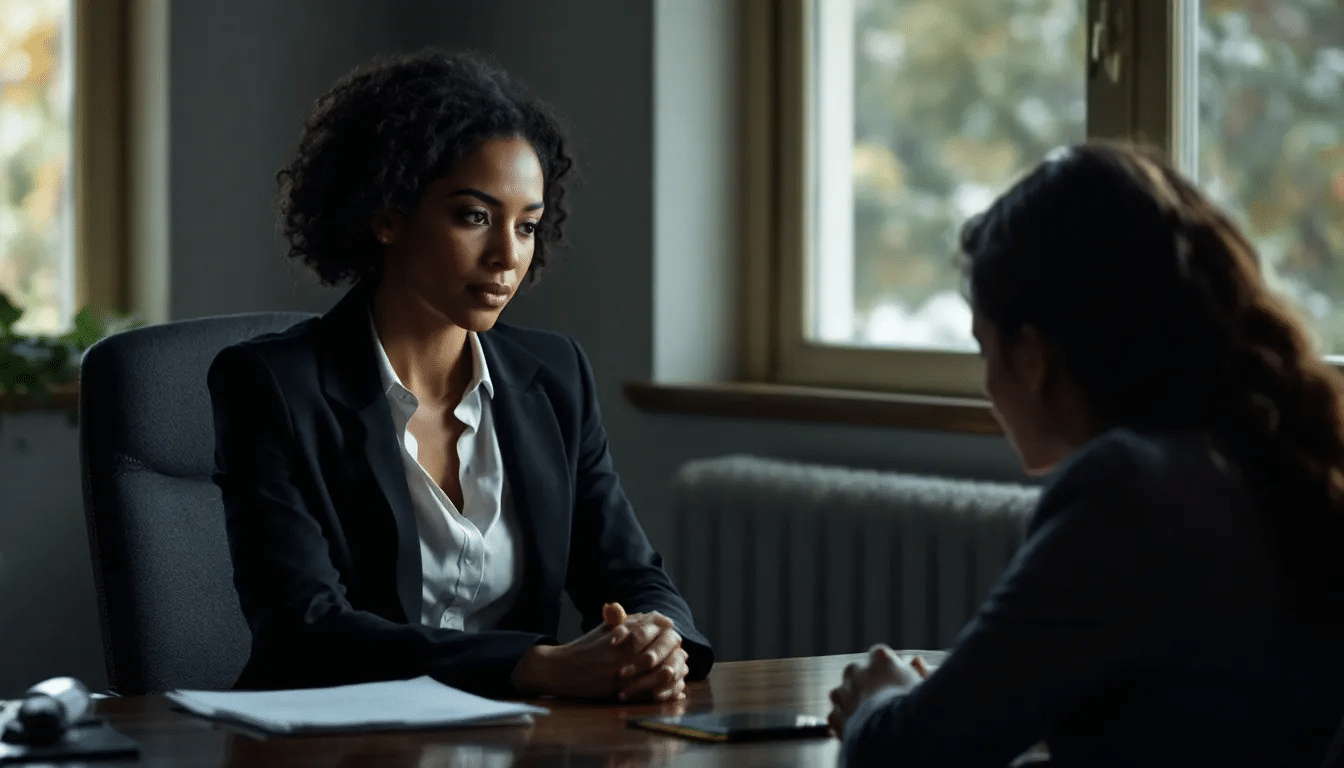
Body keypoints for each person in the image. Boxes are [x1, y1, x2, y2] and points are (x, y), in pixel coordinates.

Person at [207, 50, 712, 701]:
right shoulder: (270, 386)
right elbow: (304, 631)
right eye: (474, 217)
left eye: (526, 226)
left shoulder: (554, 378)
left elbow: (629, 571)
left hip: (519, 742)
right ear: (387, 214)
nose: (508, 256)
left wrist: (656, 637)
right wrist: (533, 664)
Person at [827, 143, 1344, 766]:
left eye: (983, 346)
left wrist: (879, 699)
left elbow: (911, 753)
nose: (986, 382)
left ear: (1033, 357)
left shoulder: (1126, 488)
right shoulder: (1273, 459)